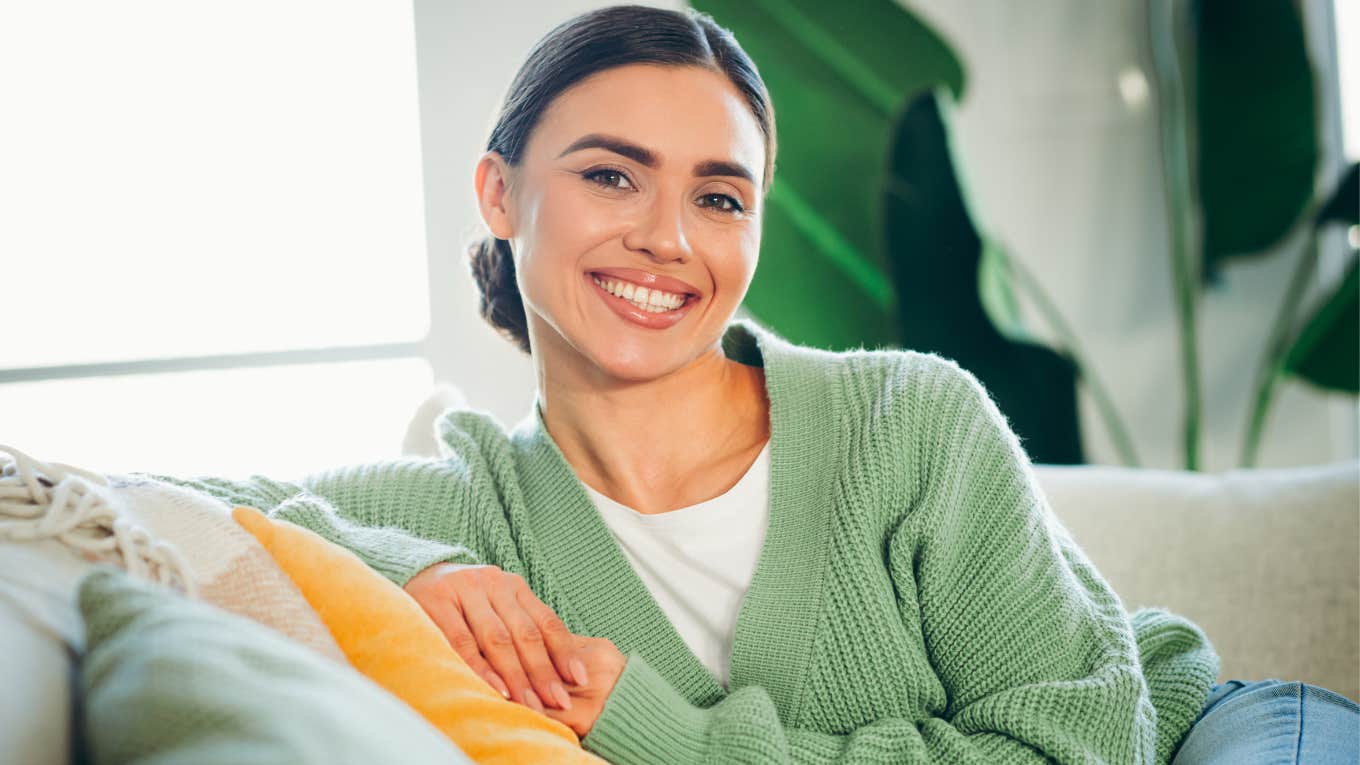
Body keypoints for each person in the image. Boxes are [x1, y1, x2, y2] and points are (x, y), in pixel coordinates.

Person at [148, 5, 1359, 762]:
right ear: (499, 192)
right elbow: (118, 500)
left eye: (718, 197)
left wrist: (665, 735)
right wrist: (419, 569)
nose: (668, 237)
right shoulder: (471, 514)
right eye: (612, 177)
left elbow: (1074, 748)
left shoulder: (911, 418)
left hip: (1210, 737)